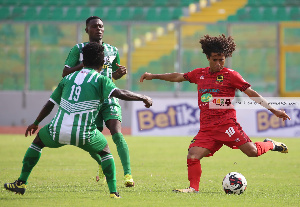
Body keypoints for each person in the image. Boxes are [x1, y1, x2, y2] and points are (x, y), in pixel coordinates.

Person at [139, 34, 291, 193]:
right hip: (207, 129)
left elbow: (251, 92)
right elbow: (178, 76)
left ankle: (272, 144)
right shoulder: (199, 74)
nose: (218, 63)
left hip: (227, 125)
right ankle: (193, 188)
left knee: (252, 152)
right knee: (192, 155)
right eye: (215, 59)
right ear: (208, 58)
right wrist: (153, 76)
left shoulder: (231, 75)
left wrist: (273, 110)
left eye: (222, 60)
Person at [4, 42, 152, 198]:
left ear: (83, 61)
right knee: (106, 153)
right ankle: (113, 192)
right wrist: (143, 97)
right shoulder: (101, 80)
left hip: (57, 131)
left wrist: (35, 123)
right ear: (102, 63)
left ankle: (21, 182)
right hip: (85, 135)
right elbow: (121, 93)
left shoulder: (67, 78)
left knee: (38, 141)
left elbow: (50, 104)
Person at [62, 16, 134, 187]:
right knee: (90, 139)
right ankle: (103, 163)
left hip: (108, 97)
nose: (98, 29)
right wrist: (84, 64)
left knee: (116, 132)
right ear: (87, 30)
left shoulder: (112, 50)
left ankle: (128, 174)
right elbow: (65, 73)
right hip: (88, 100)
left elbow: (111, 75)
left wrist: (118, 74)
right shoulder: (78, 49)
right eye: (94, 26)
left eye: (101, 26)